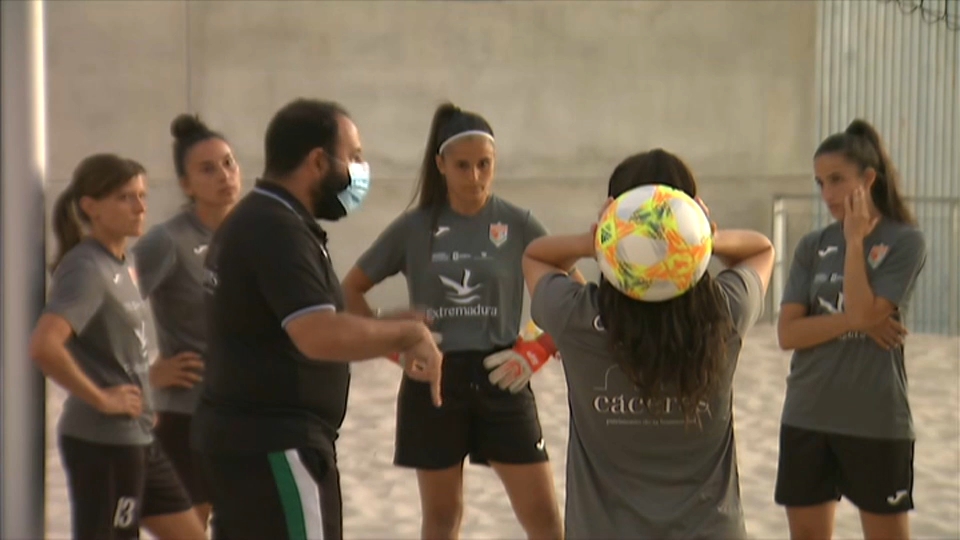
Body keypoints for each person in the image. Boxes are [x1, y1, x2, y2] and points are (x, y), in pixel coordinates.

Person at [191, 98, 444, 540]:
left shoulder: (267, 219)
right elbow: (317, 335)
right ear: (317, 161)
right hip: (274, 445)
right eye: (355, 157)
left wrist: (387, 327)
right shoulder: (276, 228)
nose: (361, 170)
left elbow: (300, 322)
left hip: (251, 443)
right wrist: (408, 333)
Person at [521, 149, 775, 539]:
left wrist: (601, 242)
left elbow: (535, 256)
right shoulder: (725, 312)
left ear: (613, 215)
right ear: (694, 216)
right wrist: (703, 238)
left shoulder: (578, 317)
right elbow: (761, 250)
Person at [341, 102, 564, 540]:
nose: (475, 176)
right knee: (442, 521)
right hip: (435, 382)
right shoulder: (414, 228)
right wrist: (394, 344)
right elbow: (349, 290)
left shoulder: (517, 224)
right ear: (441, 164)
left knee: (544, 519)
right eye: (463, 166)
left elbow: (573, 296)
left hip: (504, 375)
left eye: (485, 164)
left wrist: (536, 351)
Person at [29, 154, 205, 540]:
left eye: (142, 195)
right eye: (126, 197)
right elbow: (44, 346)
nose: (140, 206)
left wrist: (147, 388)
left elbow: (125, 348)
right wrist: (102, 399)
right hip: (102, 442)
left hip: (140, 438)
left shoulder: (123, 263)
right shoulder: (86, 268)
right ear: (90, 206)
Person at [775, 119, 926, 540]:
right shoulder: (812, 244)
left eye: (837, 180)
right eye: (821, 182)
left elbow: (862, 310)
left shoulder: (905, 241)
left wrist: (855, 241)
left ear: (869, 178)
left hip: (875, 419)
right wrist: (858, 322)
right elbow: (788, 334)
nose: (827, 194)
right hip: (807, 414)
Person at [132, 114, 242, 528]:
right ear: (185, 184)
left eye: (229, 163)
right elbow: (108, 307)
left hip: (249, 411)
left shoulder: (258, 232)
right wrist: (147, 372)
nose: (224, 176)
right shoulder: (168, 241)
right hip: (188, 414)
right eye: (207, 169)